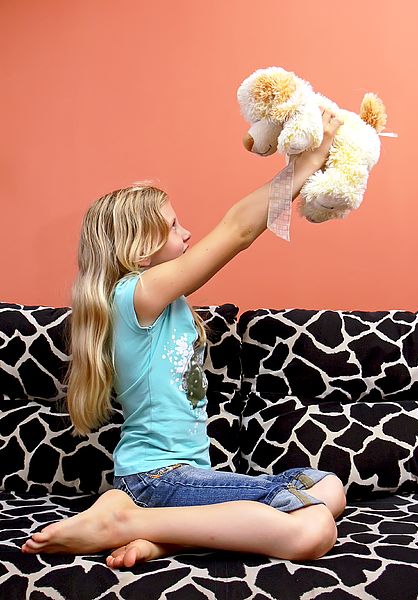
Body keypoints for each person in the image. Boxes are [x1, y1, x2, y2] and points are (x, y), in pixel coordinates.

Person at [21, 108, 347, 569]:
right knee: (314, 527)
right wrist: (306, 164)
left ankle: (158, 537)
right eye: (173, 226)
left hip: (181, 479)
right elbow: (236, 230)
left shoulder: (157, 300)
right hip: (157, 478)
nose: (187, 232)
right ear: (138, 248)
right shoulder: (136, 294)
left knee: (328, 487)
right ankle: (125, 522)